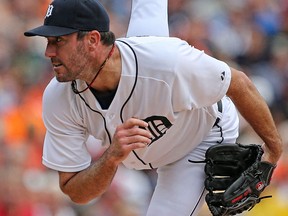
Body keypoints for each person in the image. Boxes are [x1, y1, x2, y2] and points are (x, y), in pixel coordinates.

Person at [24, 0, 283, 215]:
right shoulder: (58, 97)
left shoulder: (169, 63)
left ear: (92, 40)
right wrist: (111, 157)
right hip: (151, 109)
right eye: (48, 41)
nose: (48, 52)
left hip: (198, 139)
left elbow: (238, 83)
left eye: (58, 41)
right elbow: (75, 191)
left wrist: (274, 150)